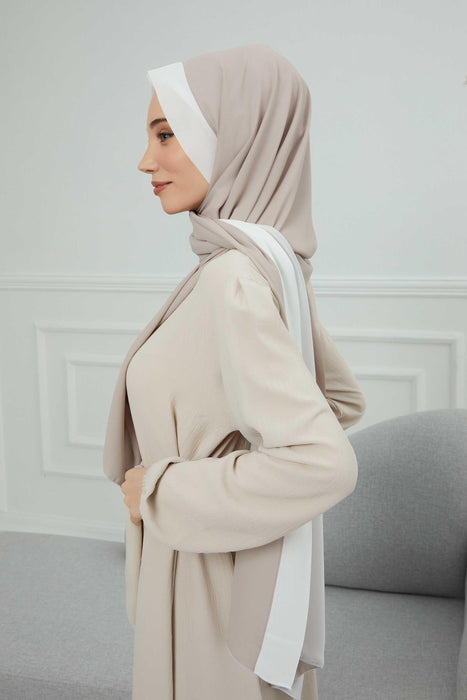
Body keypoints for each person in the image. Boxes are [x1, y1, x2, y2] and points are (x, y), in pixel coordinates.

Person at [104, 44, 366, 700]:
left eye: (166, 134)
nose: (145, 161)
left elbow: (324, 462)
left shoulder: (234, 279)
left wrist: (166, 488)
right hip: (223, 559)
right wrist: (235, 459)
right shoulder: (269, 262)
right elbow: (336, 397)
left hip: (209, 586)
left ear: (237, 136)